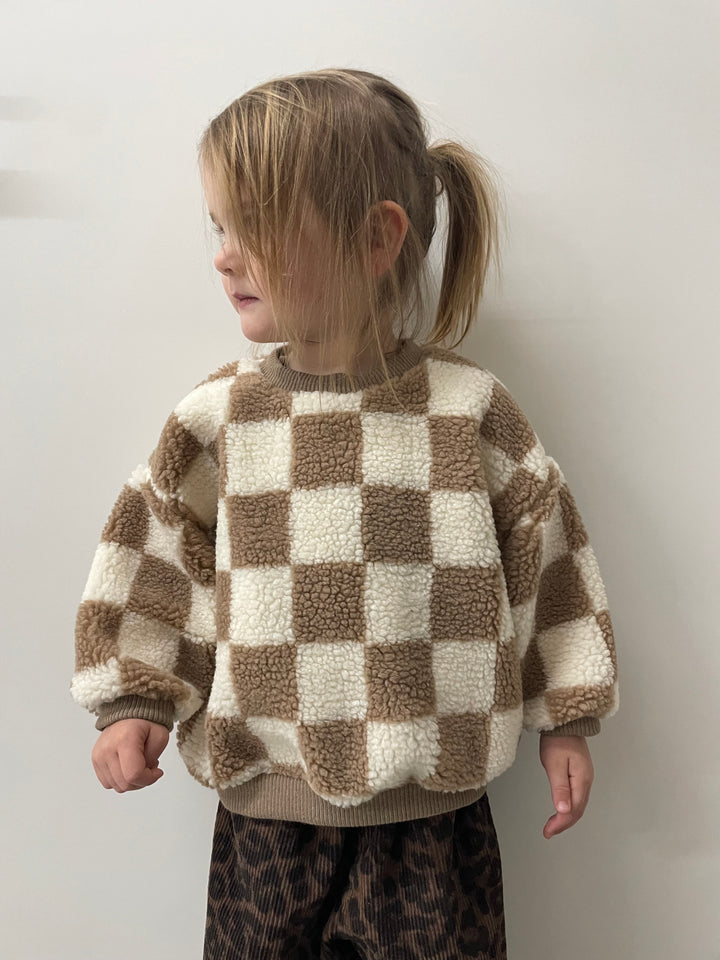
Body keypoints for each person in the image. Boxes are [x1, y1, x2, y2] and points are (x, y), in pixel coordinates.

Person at [70, 68, 619, 960]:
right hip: (264, 823)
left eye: (253, 226)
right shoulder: (219, 419)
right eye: (219, 226)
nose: (223, 255)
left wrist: (566, 714)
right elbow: (157, 556)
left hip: (432, 826)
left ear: (375, 238)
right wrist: (136, 697)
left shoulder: (468, 413)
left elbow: (547, 560)